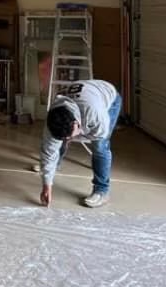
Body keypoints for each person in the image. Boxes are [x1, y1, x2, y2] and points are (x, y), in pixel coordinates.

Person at [38, 79, 121, 208]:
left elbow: (100, 135)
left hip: (109, 96)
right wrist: (46, 185)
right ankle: (55, 165)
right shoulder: (53, 119)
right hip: (86, 94)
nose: (68, 139)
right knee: (58, 143)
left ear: (77, 123)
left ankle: (102, 190)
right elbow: (48, 152)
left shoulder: (95, 114)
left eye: (70, 135)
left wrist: (76, 135)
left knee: (100, 147)